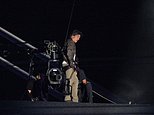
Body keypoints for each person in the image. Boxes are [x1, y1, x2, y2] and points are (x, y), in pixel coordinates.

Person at [62, 30, 82, 102]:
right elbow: (69, 54)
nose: (78, 38)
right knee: (70, 81)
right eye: (77, 37)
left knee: (75, 81)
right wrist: (72, 64)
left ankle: (75, 99)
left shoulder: (71, 42)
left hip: (70, 65)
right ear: (72, 36)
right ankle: (68, 98)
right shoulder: (70, 42)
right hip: (69, 65)